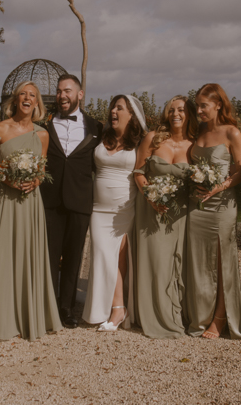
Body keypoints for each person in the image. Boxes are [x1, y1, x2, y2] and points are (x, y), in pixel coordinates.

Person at [0, 81, 62, 340]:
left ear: (37, 103)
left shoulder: (42, 134)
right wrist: (8, 179)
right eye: (22, 93)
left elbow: (41, 170)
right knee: (2, 254)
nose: (27, 98)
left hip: (30, 203)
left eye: (32, 95)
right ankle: (0, 318)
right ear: (15, 100)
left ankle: (27, 315)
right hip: (4, 200)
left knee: (27, 254)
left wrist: (35, 181)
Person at [185, 83, 241, 339]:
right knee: (200, 261)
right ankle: (200, 313)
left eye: (204, 106)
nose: (199, 110)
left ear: (219, 105)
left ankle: (221, 317)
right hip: (196, 205)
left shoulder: (232, 132)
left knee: (223, 260)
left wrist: (219, 187)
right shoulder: (197, 130)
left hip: (222, 206)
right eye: (197, 106)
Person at [40, 74, 103, 328]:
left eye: (67, 90)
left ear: (80, 94)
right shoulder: (43, 125)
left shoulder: (96, 128)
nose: (62, 95)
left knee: (74, 257)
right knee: (48, 256)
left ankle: (66, 307)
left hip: (80, 200)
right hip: (49, 200)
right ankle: (45, 307)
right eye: (59, 91)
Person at [133, 95, 197, 338]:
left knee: (178, 264)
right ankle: (155, 315)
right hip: (152, 209)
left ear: (189, 114)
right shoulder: (153, 138)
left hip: (182, 213)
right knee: (156, 263)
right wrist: (151, 196)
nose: (175, 114)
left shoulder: (195, 144)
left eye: (181, 110)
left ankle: (177, 313)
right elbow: (138, 172)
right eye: (171, 110)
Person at [82, 95, 146, 331]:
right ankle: (113, 307)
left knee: (118, 256)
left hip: (124, 209)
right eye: (112, 108)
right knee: (102, 254)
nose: (113, 112)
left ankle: (118, 308)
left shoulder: (140, 142)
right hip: (98, 209)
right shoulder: (101, 136)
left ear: (132, 114)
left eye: (119, 108)